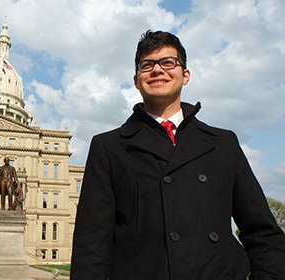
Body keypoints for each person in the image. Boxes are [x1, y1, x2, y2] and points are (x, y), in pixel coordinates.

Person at [70, 30, 285, 280]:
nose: (157, 70)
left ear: (185, 75)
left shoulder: (223, 143)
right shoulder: (108, 147)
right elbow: (91, 245)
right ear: (136, 79)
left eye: (168, 62)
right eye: (147, 64)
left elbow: (262, 233)